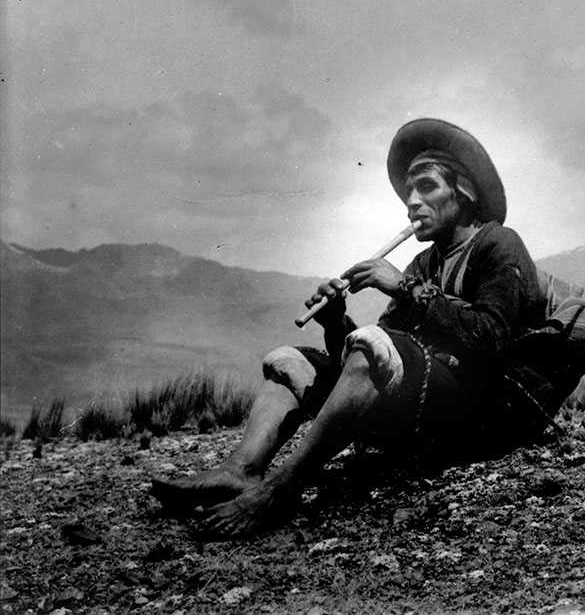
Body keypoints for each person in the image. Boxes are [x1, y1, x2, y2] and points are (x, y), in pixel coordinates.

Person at [151, 118, 557, 538]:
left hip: (483, 413)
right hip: (429, 402)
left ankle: (281, 489)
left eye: (426, 187)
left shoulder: (498, 243)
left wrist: (404, 286)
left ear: (465, 193)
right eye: (408, 193)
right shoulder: (425, 264)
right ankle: (242, 469)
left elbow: (492, 337)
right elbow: (377, 357)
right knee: (293, 363)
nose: (411, 203)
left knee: (376, 348)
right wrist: (335, 321)